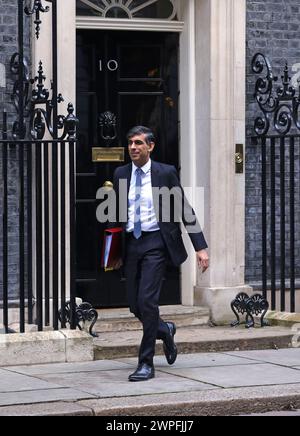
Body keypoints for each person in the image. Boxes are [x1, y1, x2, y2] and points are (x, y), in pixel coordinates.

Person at [110, 126, 209, 382]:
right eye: (130, 143)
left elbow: (184, 208)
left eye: (138, 143)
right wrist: (115, 250)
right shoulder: (120, 173)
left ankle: (145, 363)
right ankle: (164, 329)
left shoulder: (165, 173)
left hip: (156, 243)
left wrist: (200, 246)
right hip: (132, 243)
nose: (133, 147)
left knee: (147, 301)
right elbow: (116, 214)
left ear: (150, 146)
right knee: (134, 305)